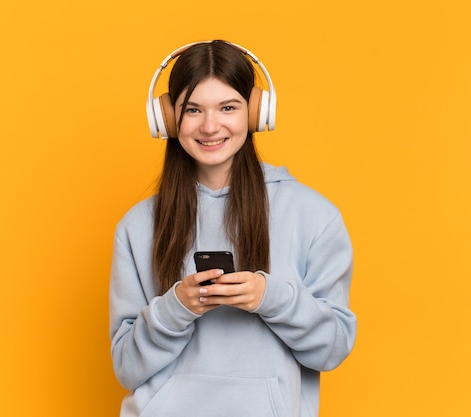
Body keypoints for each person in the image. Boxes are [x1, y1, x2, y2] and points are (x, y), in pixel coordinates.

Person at [109, 40, 356, 417]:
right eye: (193, 110)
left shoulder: (314, 216)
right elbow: (127, 368)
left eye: (228, 107)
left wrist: (269, 297)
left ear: (256, 113)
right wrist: (175, 308)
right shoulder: (137, 226)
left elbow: (332, 348)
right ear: (169, 119)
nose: (210, 126)